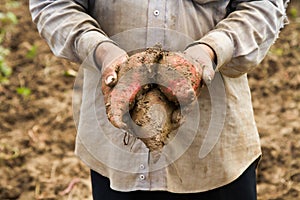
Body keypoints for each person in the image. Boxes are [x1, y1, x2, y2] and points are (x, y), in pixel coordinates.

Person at [30, 0, 288, 199]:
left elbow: (262, 6)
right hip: (115, 152)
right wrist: (101, 50)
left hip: (214, 154)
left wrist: (209, 51)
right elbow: (54, 5)